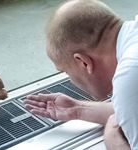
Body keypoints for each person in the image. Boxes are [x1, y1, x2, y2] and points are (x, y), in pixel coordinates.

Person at [24, 0, 138, 149]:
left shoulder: (129, 74)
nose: (70, 80)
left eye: (65, 71)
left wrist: (114, 143)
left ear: (83, 62)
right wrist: (79, 109)